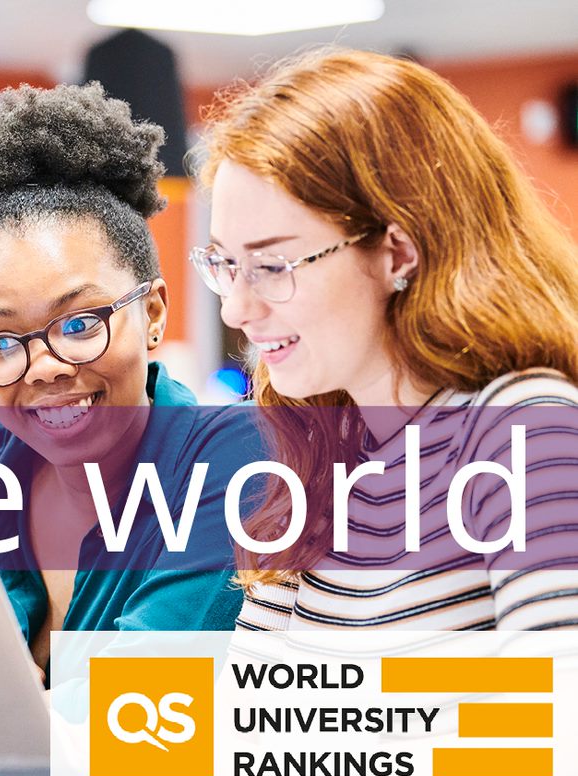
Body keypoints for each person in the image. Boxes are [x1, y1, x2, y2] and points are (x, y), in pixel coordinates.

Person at [0, 83, 262, 680]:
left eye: (79, 323)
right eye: (0, 342)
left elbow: (141, 707)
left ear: (151, 315)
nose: (45, 366)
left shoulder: (237, 455)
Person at [196, 48, 578, 635]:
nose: (237, 309)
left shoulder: (523, 428)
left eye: (272, 265)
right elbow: (247, 708)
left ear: (397, 253)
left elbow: (562, 712)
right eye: (223, 263)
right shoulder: (329, 452)